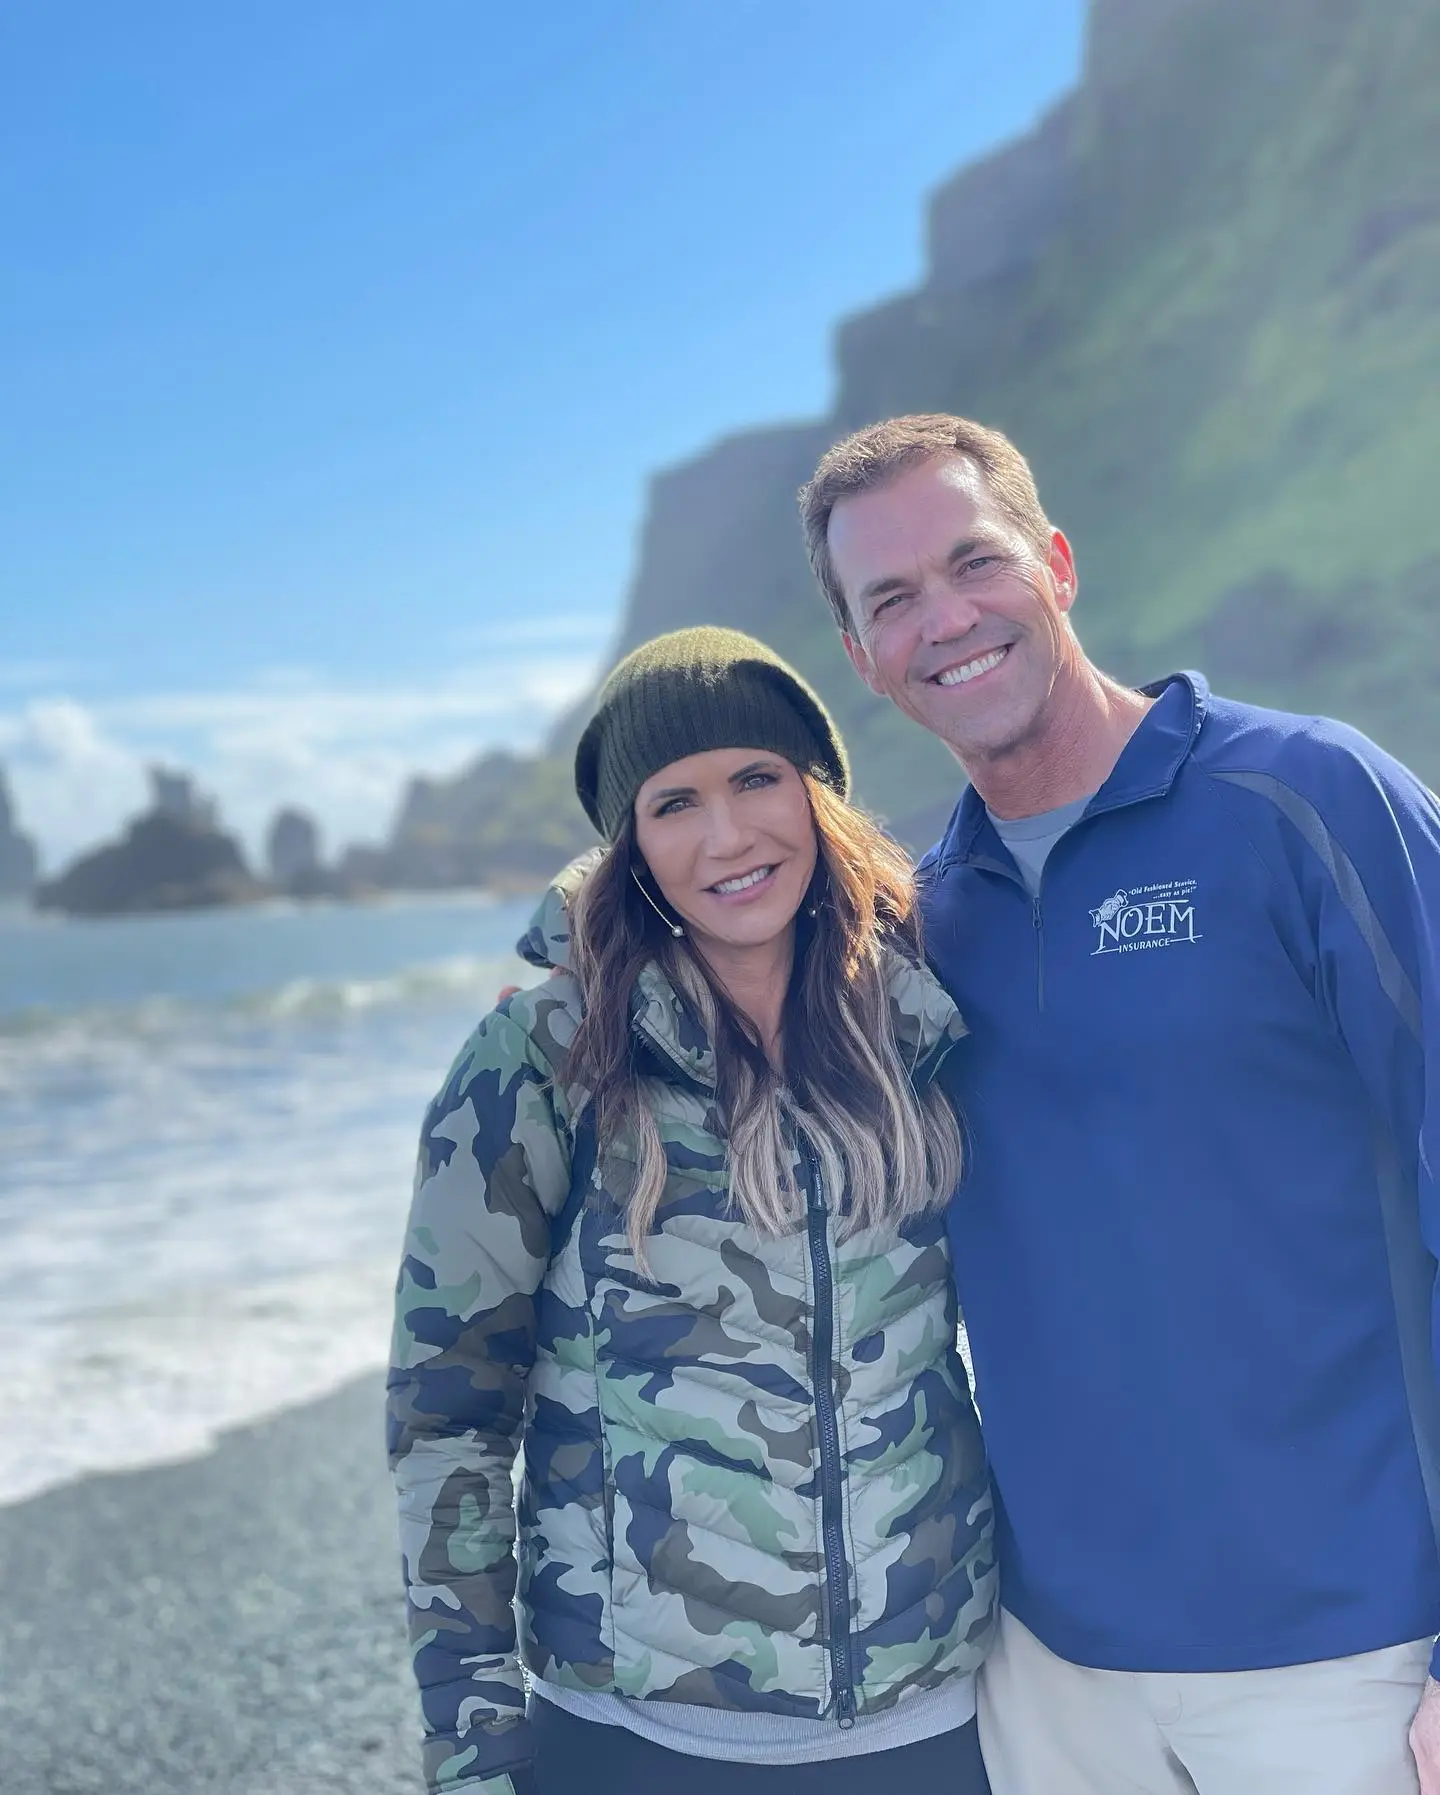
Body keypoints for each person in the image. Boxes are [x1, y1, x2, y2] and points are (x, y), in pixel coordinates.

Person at [797, 413, 1440, 1794]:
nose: (947, 618)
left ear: (1059, 562)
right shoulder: (920, 923)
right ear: (862, 657)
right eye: (892, 599)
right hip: (1049, 1668)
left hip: (1345, 1655)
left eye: (976, 561)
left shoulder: (1306, 799)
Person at [387, 626, 997, 1795]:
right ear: (632, 845)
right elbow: (448, 1413)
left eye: (758, 778)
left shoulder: (923, 1026)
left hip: (932, 1719)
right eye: (675, 802)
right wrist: (472, 1740)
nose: (727, 836)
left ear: (818, 794)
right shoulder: (547, 1052)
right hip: (639, 1741)